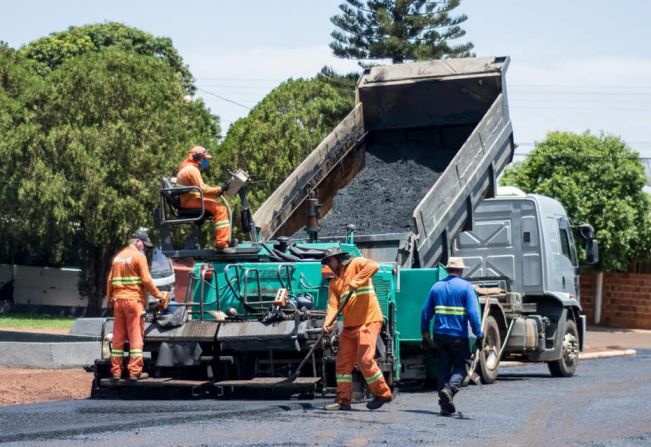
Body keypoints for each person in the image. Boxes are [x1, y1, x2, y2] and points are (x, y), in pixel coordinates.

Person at [321, 247, 394, 411]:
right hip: (349, 326)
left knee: (365, 360)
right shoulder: (334, 283)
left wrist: (356, 281)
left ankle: (383, 394)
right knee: (342, 364)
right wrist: (328, 323)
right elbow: (332, 306)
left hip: (368, 321)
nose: (328, 265)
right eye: (326, 263)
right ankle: (343, 401)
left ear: (338, 259)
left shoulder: (356, 263)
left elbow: (373, 266)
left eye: (330, 261)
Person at [420, 257, 483, 416]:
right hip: (458, 336)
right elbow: (473, 313)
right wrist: (478, 334)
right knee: (462, 367)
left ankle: (444, 406)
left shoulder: (436, 287)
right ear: (461, 270)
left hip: (439, 335)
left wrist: (425, 333)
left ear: (448, 270)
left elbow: (425, 312)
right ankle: (449, 390)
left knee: (442, 369)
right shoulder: (466, 287)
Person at [106, 230, 169, 381]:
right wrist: (159, 296)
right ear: (138, 242)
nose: (145, 249)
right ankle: (135, 372)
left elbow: (110, 281)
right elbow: (147, 281)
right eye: (145, 246)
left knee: (118, 338)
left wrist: (110, 299)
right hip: (134, 302)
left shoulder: (118, 257)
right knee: (135, 337)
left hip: (118, 301)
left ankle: (116, 372)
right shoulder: (138, 256)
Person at [176, 145, 233, 252]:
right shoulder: (192, 170)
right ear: (198, 156)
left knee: (216, 205)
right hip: (188, 201)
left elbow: (199, 191)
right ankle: (222, 243)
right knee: (220, 209)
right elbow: (203, 190)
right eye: (205, 159)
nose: (206, 162)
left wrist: (217, 192)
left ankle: (223, 239)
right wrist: (220, 189)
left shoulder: (187, 168)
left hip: (188, 199)